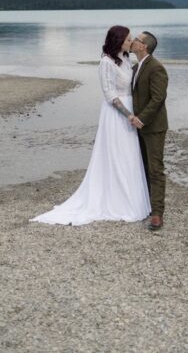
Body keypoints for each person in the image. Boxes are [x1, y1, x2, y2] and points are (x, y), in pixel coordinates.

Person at [31, 25, 151, 226]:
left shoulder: (126, 59)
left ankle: (132, 199)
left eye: (131, 39)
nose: (131, 42)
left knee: (129, 156)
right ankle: (115, 200)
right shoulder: (106, 63)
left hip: (131, 109)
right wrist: (129, 115)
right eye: (128, 39)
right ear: (118, 41)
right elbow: (110, 94)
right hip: (116, 115)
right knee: (116, 155)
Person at [129, 31, 168, 231]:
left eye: (136, 39)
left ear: (143, 46)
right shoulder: (135, 67)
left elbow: (158, 98)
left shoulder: (156, 68)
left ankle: (157, 214)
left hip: (153, 127)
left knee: (155, 169)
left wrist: (142, 119)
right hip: (137, 126)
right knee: (141, 167)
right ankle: (145, 205)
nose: (133, 41)